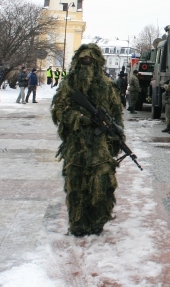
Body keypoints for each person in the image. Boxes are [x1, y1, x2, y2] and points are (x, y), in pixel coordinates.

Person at [50, 43, 123, 236]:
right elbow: (59, 110)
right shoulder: (69, 85)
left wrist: (116, 136)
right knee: (76, 184)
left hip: (100, 145)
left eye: (90, 62)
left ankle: (98, 220)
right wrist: (81, 119)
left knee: (102, 182)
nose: (86, 65)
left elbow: (116, 114)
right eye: (83, 61)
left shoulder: (107, 86)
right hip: (76, 143)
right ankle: (78, 222)